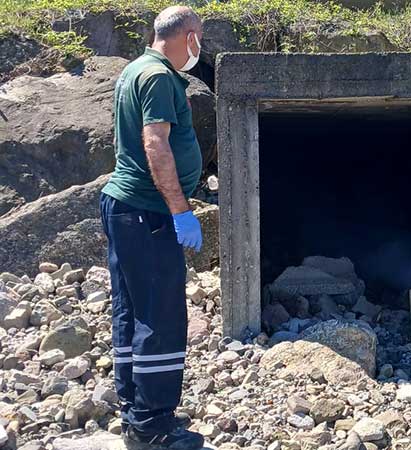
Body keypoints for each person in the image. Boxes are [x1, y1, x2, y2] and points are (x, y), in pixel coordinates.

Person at [100, 5, 205, 449]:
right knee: (160, 317)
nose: (200, 47)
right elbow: (155, 143)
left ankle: (136, 414)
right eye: (200, 38)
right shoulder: (159, 76)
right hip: (147, 212)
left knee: (132, 311)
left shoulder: (134, 70)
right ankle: (154, 428)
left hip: (126, 208)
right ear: (188, 36)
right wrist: (180, 210)